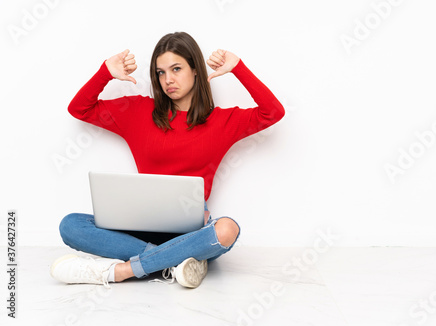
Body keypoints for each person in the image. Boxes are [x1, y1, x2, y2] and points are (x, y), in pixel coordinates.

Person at [50, 32, 285, 289]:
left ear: (195, 70)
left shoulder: (221, 122)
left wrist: (237, 68)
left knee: (227, 229)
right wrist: (105, 72)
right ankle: (176, 260)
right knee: (70, 225)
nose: (168, 80)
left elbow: (273, 112)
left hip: (190, 231)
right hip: (140, 222)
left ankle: (123, 271)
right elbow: (79, 109)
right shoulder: (138, 112)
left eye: (176, 69)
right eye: (160, 72)